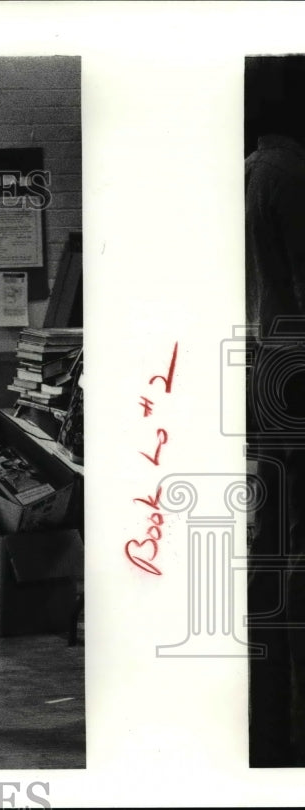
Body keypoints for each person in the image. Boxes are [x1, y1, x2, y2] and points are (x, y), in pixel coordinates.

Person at [245, 55, 305, 767]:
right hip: (291, 363)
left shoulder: (251, 168)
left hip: (266, 359)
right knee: (289, 524)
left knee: (275, 518)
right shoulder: (288, 175)